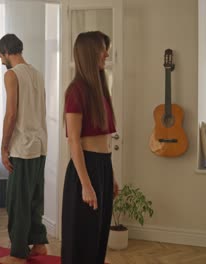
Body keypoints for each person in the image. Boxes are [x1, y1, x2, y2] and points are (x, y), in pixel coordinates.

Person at [61, 31, 119, 264]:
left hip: (102, 167)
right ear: (89, 53)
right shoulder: (75, 91)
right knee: (81, 239)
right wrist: (86, 185)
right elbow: (74, 140)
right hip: (85, 169)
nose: (106, 54)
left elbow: (105, 142)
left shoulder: (101, 91)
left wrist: (111, 176)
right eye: (102, 49)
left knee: (98, 236)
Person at [0, 33, 48, 264]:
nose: (0, 60)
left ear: (7, 52)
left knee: (18, 201)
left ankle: (17, 253)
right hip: (40, 145)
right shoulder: (37, 74)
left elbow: (11, 114)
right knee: (35, 198)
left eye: (0, 56)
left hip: (22, 147)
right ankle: (38, 244)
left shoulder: (12, 74)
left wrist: (4, 146)